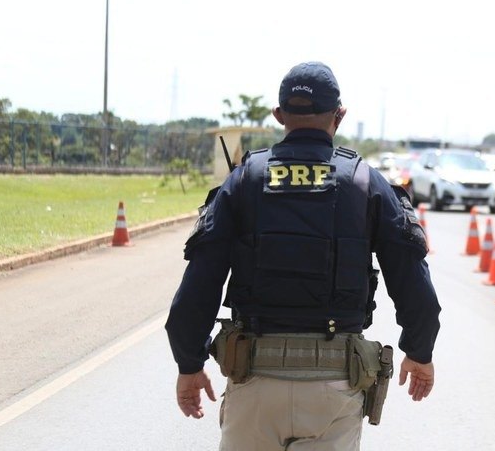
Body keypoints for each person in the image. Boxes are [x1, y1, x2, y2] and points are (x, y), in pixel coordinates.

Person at [165, 61, 441, 450]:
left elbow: (198, 287)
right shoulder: (365, 181)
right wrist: (419, 351)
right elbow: (412, 281)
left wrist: (189, 364)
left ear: (279, 115)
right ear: (339, 116)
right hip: (334, 387)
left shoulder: (244, 180)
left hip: (254, 382)